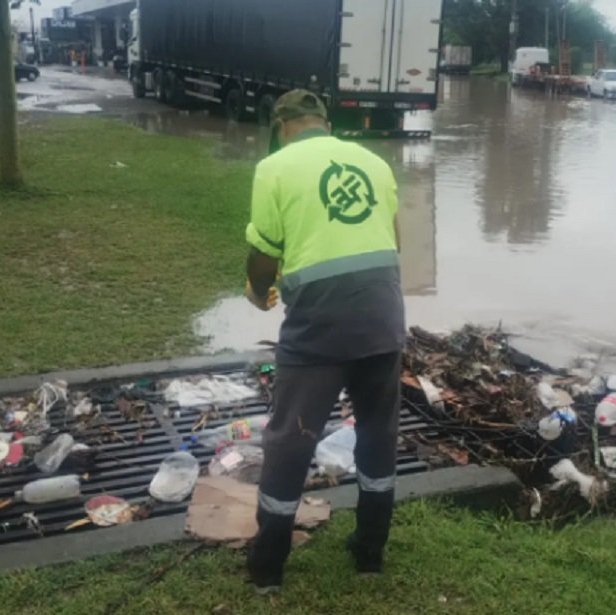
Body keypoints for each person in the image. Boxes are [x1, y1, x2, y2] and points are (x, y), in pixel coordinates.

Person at [243, 89, 405, 594]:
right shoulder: (375, 163)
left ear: (281, 125)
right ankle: (370, 554)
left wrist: (256, 292)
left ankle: (267, 568)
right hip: (383, 318)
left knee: (290, 442)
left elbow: (263, 257)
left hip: (318, 326)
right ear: (325, 124)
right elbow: (392, 242)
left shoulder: (274, 167)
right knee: (378, 436)